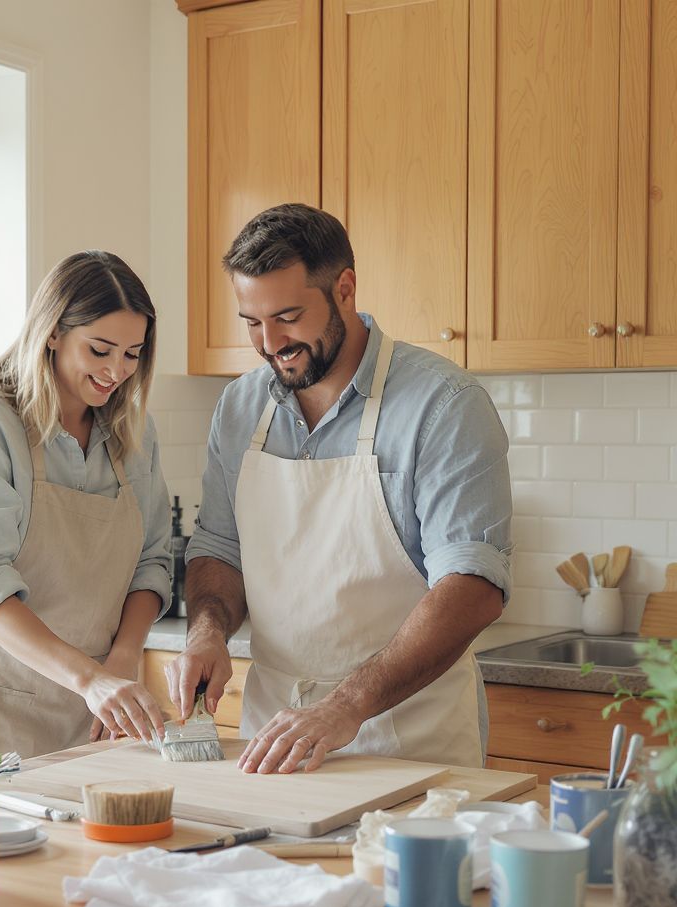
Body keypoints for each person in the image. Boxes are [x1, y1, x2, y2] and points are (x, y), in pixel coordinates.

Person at [168, 204, 512, 774]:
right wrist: (208, 632)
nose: (269, 343)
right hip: (274, 742)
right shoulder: (240, 406)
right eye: (252, 322)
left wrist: (345, 705)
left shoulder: (444, 404)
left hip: (412, 744)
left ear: (345, 289)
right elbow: (220, 549)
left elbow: (472, 586)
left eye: (288, 317)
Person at [0, 250, 171, 776]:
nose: (116, 371)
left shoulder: (134, 433)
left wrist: (123, 658)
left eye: (132, 354)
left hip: (93, 711)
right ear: (53, 332)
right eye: (99, 349)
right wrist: (91, 679)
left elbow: (152, 562)